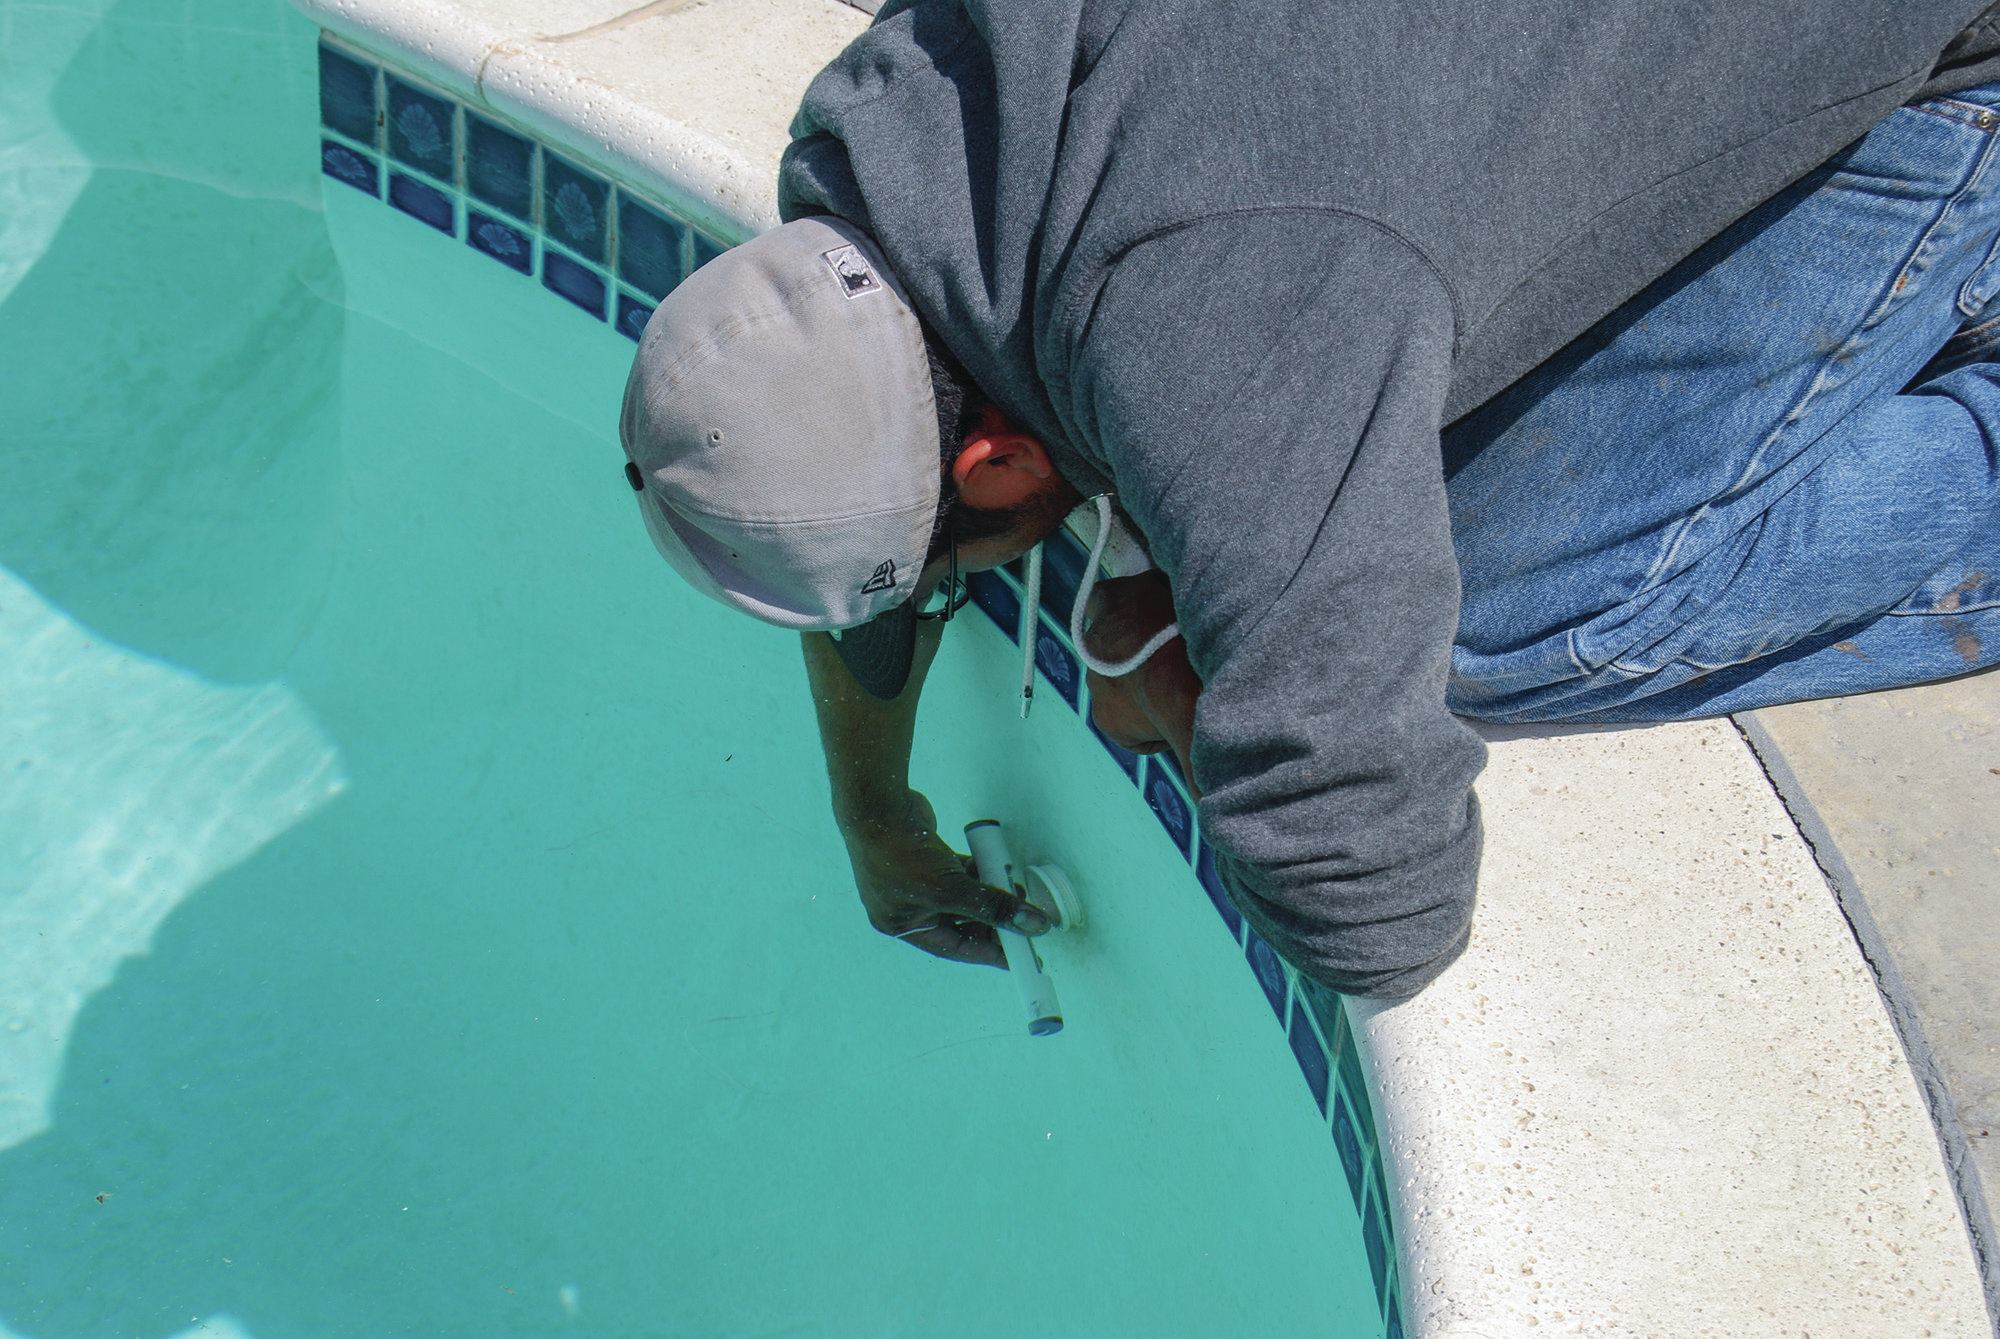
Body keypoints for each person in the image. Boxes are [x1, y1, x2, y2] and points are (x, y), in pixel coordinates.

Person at [619, 0, 2000, 1000]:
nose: (950, 589)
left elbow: (1381, 905)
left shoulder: (1209, 311)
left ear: (997, 467)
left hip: (1946, 55)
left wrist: (1214, 697)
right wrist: (875, 806)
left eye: (949, 563)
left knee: (1481, 618)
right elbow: (887, 416)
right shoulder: (901, 120)